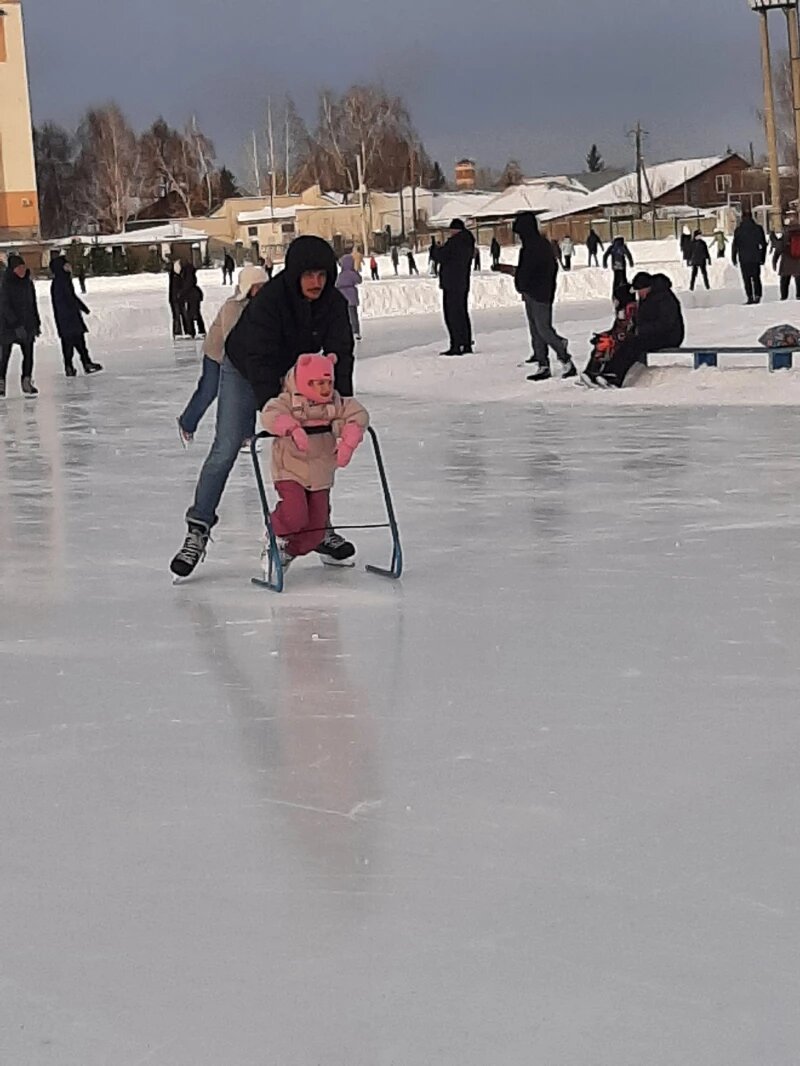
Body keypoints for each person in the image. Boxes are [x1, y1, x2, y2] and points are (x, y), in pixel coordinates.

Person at [170, 234, 355, 579]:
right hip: (245, 368)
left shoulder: (333, 305)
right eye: (308, 275)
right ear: (295, 274)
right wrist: (277, 409)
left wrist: (339, 408)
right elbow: (259, 359)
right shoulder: (271, 302)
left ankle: (319, 528)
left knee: (318, 443)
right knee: (226, 448)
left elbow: (340, 357)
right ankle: (198, 528)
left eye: (322, 275)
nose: (316, 283)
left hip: (301, 374)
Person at [260, 353, 369, 572]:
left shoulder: (335, 402)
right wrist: (291, 428)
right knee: (295, 514)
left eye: (328, 383)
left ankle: (288, 552)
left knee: (316, 531)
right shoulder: (288, 401)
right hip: (290, 469)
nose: (325, 389)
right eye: (319, 383)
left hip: (320, 473)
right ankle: (275, 533)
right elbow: (270, 414)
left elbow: (358, 413)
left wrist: (348, 441)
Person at [177, 265, 268, 444]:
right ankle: (187, 423)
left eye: (264, 286)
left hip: (245, 357)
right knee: (209, 390)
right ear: (247, 287)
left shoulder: (264, 307)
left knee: (248, 392)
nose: (262, 291)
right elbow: (231, 337)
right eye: (258, 287)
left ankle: (246, 435)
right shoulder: (232, 306)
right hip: (217, 354)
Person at [492, 211, 576, 382]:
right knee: (536, 330)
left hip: (541, 294)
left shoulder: (537, 247)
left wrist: (526, 283)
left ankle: (565, 357)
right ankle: (543, 364)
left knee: (543, 329)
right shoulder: (531, 246)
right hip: (532, 292)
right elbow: (525, 271)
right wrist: (513, 275)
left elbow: (536, 271)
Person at [595, 271, 684, 388]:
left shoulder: (665, 298)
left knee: (634, 344)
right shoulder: (647, 298)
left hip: (669, 336)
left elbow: (666, 324)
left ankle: (615, 377)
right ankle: (606, 373)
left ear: (647, 288)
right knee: (623, 341)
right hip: (651, 334)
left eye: (639, 291)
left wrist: (641, 330)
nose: (638, 294)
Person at [49, 256, 103, 377]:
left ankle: (83, 363)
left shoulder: (63, 280)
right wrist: (78, 308)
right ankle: (73, 365)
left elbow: (71, 297)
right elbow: (68, 298)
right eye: (66, 265)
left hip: (69, 316)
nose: (69, 267)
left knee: (77, 340)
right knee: (70, 342)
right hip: (67, 317)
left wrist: (82, 308)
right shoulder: (60, 282)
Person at [0, 254, 41, 397]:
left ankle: (26, 381)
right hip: (8, 326)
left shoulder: (27, 282)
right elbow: (4, 305)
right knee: (4, 355)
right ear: (12, 269)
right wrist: (15, 324)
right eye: (18, 268)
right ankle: (1, 382)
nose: (22, 270)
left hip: (27, 323)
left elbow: (32, 303)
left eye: (23, 267)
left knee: (28, 354)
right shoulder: (5, 282)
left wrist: (36, 322)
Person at [434, 218, 476, 356]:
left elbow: (441, 256)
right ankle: (466, 343)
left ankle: (456, 344)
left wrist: (436, 249)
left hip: (451, 283)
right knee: (462, 313)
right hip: (462, 282)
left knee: (452, 315)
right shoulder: (468, 242)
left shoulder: (454, 243)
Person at [581, 282, 637, 384]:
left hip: (625, 338)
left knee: (605, 345)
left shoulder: (629, 309)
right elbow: (616, 328)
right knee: (601, 343)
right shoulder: (621, 309)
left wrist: (611, 337)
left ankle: (597, 372)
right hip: (619, 336)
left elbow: (628, 329)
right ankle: (591, 372)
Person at [732, 207, 767, 305]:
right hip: (755, 257)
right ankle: (758, 295)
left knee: (746, 278)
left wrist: (734, 257)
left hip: (744, 258)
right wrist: (762, 257)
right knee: (756, 277)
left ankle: (750, 296)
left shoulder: (738, 230)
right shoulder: (758, 228)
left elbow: (735, 245)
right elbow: (763, 244)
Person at [336, 252, 363, 340]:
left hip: (342, 298)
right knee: (353, 316)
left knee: (345, 316)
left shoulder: (341, 275)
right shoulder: (352, 273)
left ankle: (346, 332)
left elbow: (336, 284)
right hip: (351, 298)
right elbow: (359, 280)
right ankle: (355, 331)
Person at [773, 214, 800, 299]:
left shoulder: (786, 233)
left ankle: (784, 296)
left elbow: (779, 248)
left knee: (784, 279)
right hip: (799, 261)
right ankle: (799, 295)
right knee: (799, 279)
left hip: (786, 260)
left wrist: (775, 260)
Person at [181, 261, 206, 338]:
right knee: (196, 312)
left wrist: (181, 293)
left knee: (192, 313)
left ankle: (193, 331)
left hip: (192, 296)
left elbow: (187, 285)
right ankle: (199, 330)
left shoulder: (188, 276)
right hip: (195, 295)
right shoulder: (191, 275)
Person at [169, 260, 185, 338]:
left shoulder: (176, 276)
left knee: (179, 315)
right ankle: (177, 332)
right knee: (177, 315)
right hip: (175, 298)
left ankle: (179, 331)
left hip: (178, 298)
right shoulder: (175, 277)